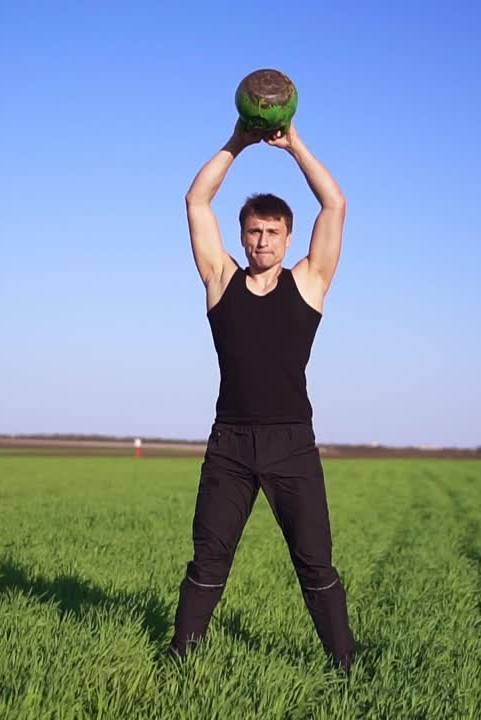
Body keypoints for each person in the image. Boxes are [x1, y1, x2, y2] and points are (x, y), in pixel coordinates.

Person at [170, 119, 354, 670]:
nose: (262, 241)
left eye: (273, 232)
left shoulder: (309, 283)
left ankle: (345, 664)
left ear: (288, 237)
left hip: (292, 444)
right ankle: (179, 660)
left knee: (315, 563)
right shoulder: (219, 280)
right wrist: (238, 141)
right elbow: (196, 200)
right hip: (230, 444)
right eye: (253, 231)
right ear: (242, 233)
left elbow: (335, 204)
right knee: (209, 558)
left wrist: (294, 144)